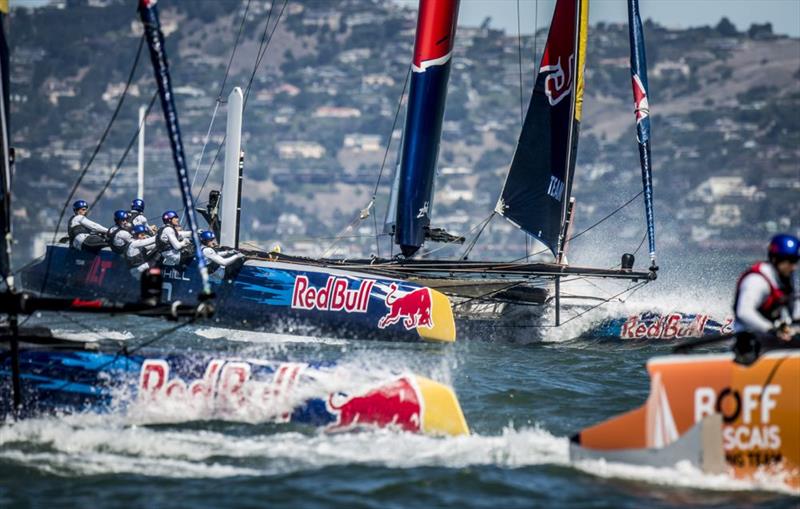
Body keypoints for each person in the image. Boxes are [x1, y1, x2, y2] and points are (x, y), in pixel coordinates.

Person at [734, 234, 799, 341]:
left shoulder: (786, 278)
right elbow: (744, 312)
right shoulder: (756, 280)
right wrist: (771, 329)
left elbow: (796, 312)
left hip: (773, 337)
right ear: (775, 259)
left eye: (796, 261)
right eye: (791, 261)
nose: (794, 267)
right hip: (747, 339)